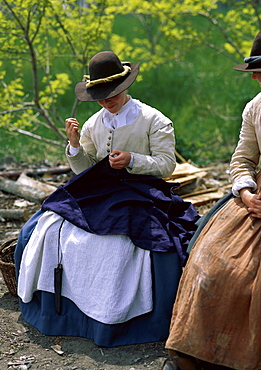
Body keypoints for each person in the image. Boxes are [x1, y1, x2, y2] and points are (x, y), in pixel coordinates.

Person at [14, 51, 199, 347]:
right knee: (46, 224)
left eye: (110, 94)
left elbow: (166, 165)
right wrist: (74, 146)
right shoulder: (92, 125)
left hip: (142, 190)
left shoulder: (155, 120)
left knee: (149, 241)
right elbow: (86, 170)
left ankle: (130, 315)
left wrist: (132, 160)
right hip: (99, 189)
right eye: (99, 96)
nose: (105, 101)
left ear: (124, 87)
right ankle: (61, 307)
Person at [163, 31, 261, 370]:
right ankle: (194, 352)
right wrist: (246, 192)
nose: (256, 78)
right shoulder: (255, 108)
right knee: (209, 261)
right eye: (255, 71)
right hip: (256, 197)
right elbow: (242, 159)